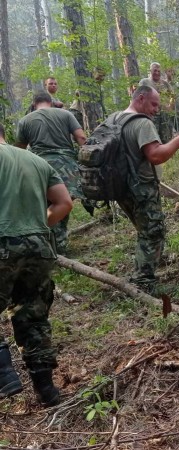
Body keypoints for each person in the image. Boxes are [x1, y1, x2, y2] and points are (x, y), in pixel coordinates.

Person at [0, 123, 73, 407]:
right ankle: (46, 389)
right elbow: (64, 202)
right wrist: (34, 227)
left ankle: (5, 374)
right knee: (33, 315)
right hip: (39, 247)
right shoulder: (36, 160)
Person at [115, 85, 179, 294]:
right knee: (153, 233)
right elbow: (157, 155)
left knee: (144, 231)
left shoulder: (116, 119)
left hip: (121, 187)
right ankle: (142, 283)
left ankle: (141, 273)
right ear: (140, 99)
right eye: (153, 104)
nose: (156, 109)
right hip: (141, 188)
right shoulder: (141, 124)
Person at [15, 91, 86, 255]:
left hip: (38, 167)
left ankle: (46, 243)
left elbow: (19, 150)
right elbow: (81, 138)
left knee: (44, 204)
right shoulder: (66, 114)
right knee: (63, 203)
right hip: (66, 167)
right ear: (51, 102)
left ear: (34, 104)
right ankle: (58, 245)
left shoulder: (25, 120)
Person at [139, 63, 179, 142]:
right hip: (151, 116)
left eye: (158, 71)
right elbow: (139, 96)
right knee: (153, 138)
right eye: (154, 71)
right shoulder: (145, 82)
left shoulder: (167, 84)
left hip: (166, 116)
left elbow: (176, 95)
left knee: (167, 138)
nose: (156, 73)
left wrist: (169, 107)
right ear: (150, 70)